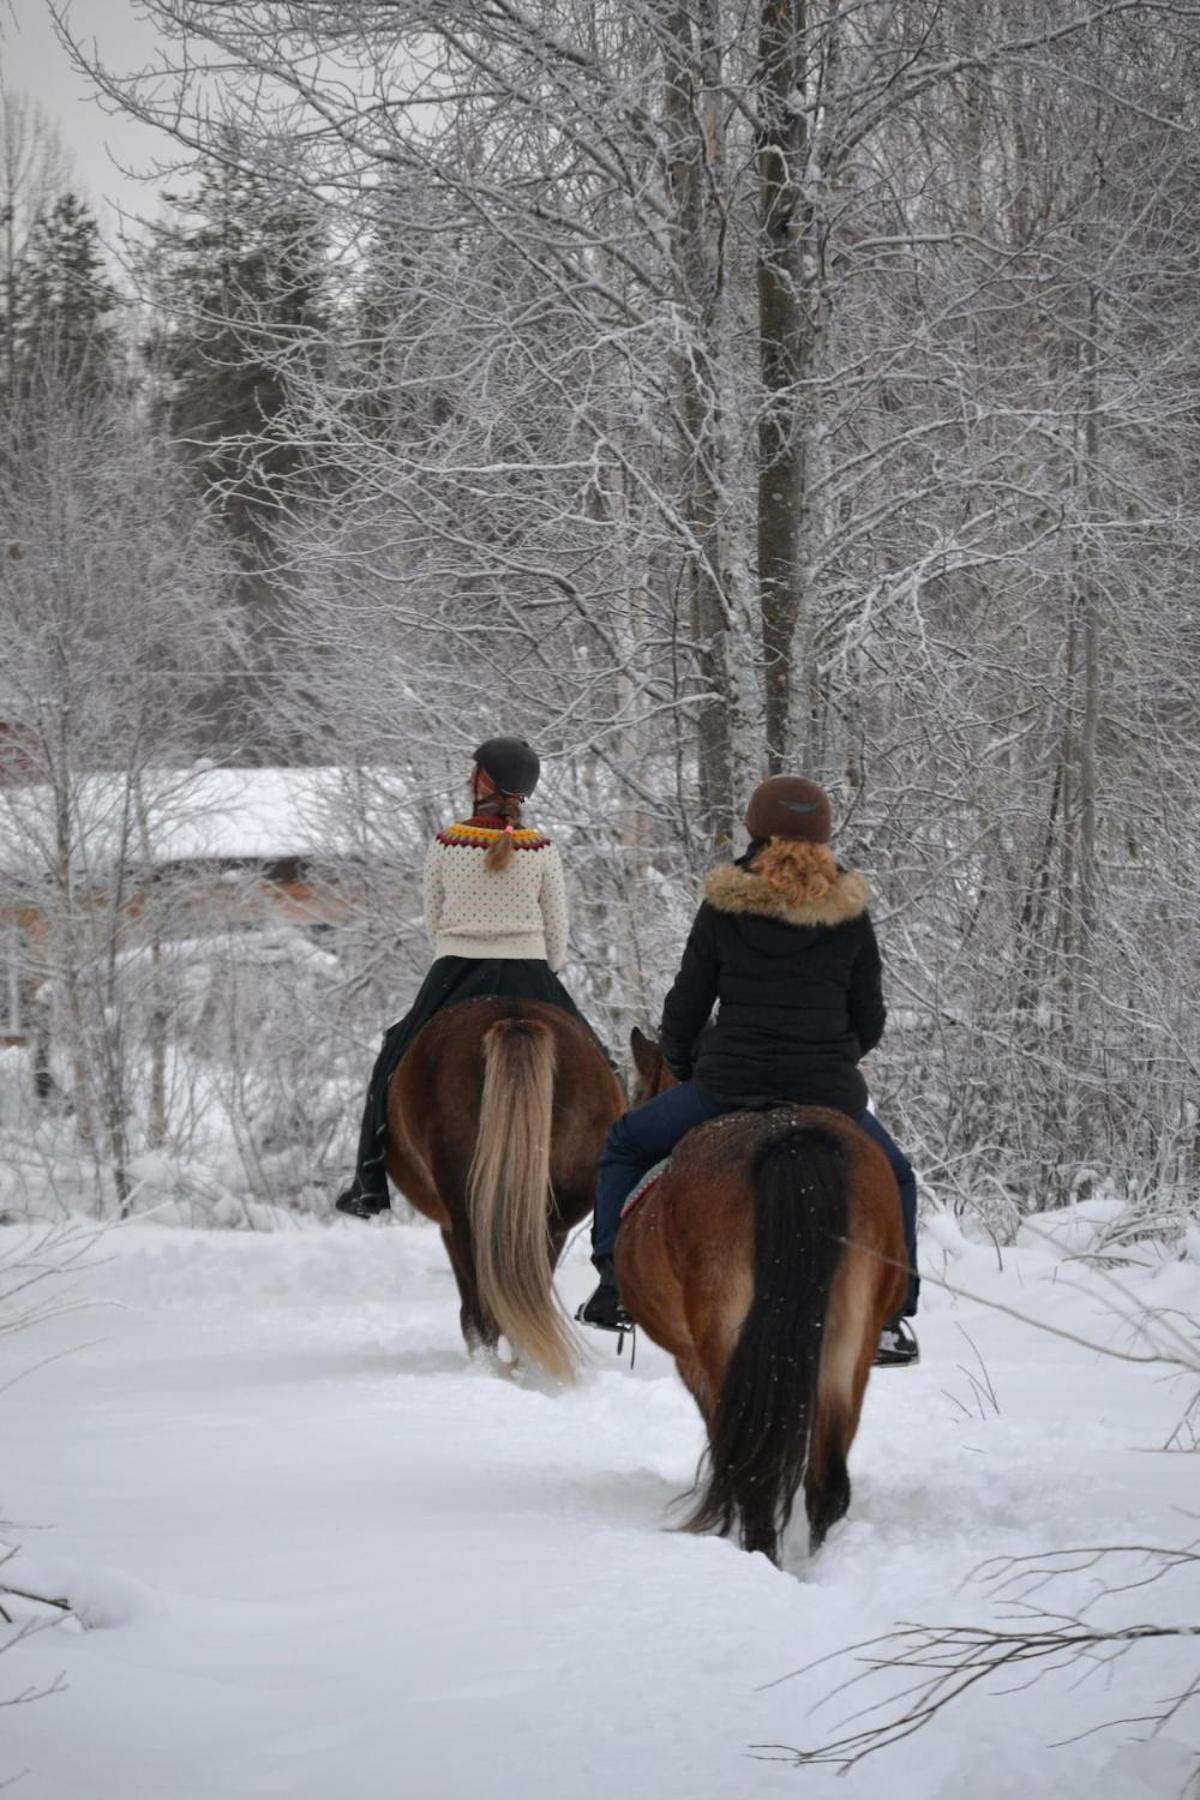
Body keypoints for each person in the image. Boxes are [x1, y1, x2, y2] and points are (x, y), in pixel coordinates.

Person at [579, 775, 920, 1367]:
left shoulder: (723, 904)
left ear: (754, 829)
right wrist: (833, 1063)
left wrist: (683, 1064)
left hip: (728, 1087)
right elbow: (870, 1016)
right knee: (896, 1178)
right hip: (828, 1093)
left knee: (625, 1144)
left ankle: (614, 1286)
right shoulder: (850, 912)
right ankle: (892, 1319)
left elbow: (687, 1003)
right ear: (823, 835)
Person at [335, 736, 603, 1219]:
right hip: (531, 971)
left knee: (392, 1059)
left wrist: (463, 948)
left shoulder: (446, 843)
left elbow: (434, 920)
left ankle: (367, 1182)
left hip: (456, 970)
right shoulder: (541, 848)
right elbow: (558, 931)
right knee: (602, 1062)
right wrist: (545, 969)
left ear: (482, 780)